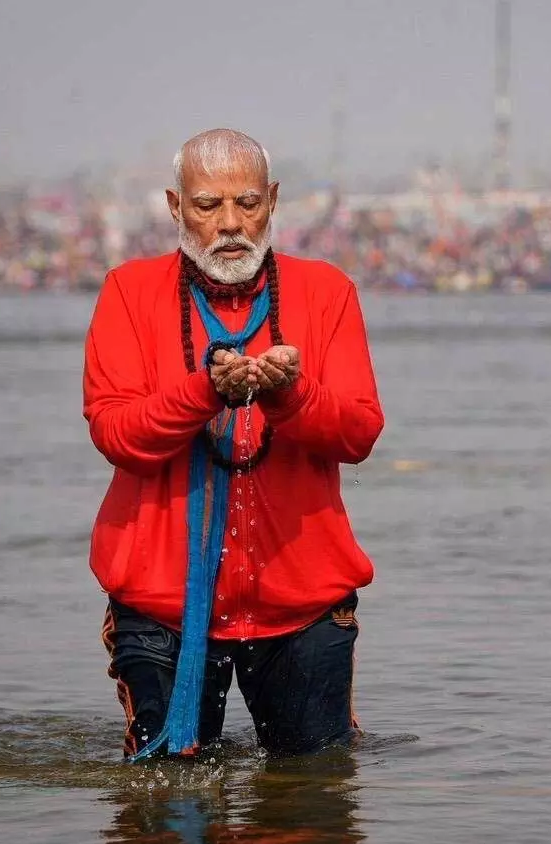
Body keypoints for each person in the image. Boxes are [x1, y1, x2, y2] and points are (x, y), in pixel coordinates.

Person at [82, 128, 384, 761]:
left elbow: (359, 433)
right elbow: (115, 434)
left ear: (272, 201)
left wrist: (291, 396)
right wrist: (202, 392)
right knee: (166, 821)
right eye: (207, 205)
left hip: (303, 604)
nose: (229, 224)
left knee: (313, 808)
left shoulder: (327, 292)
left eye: (247, 204)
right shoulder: (129, 293)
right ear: (174, 206)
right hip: (159, 604)